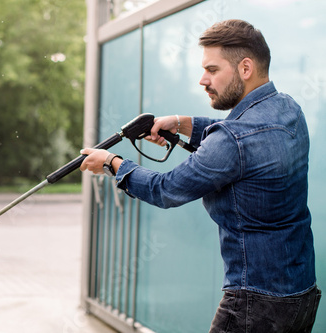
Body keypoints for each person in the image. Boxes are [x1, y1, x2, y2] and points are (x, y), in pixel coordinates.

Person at [80, 19, 321, 332]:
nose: (202, 80)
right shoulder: (289, 109)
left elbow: (165, 189)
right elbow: (241, 138)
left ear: (245, 68)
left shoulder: (232, 139)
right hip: (300, 293)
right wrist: (181, 124)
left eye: (212, 69)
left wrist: (113, 163)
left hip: (255, 303)